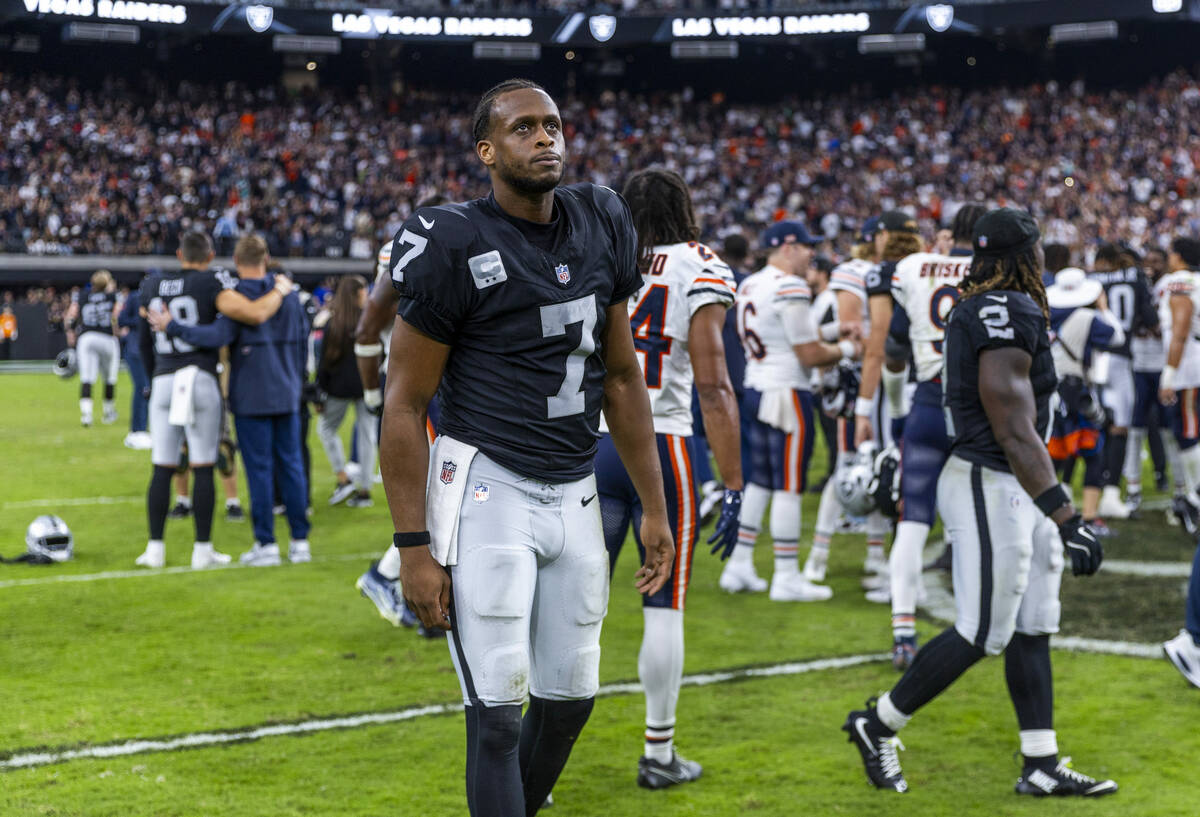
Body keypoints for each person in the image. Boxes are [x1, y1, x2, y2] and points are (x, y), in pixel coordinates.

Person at [379, 79, 672, 817]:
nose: (545, 139)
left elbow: (623, 375)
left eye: (553, 125)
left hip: (576, 485)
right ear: (486, 151)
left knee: (571, 701)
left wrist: (655, 506)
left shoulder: (602, 217)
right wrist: (412, 547)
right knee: (500, 709)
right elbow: (405, 402)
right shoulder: (452, 241)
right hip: (488, 486)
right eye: (523, 129)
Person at [843, 208, 1114, 798]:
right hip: (990, 478)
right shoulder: (1004, 309)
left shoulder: (993, 303)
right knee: (984, 629)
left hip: (1012, 477)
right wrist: (1067, 515)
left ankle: (1040, 761)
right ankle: (877, 722)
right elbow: (1013, 425)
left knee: (1034, 623)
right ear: (1025, 257)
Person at [595, 168, 742, 788]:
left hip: (595, 446)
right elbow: (712, 382)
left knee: (571, 610)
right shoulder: (699, 265)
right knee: (663, 606)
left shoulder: (603, 255)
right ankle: (658, 755)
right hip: (665, 447)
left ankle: (532, 763)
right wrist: (733, 485)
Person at [149, 235, 310, 566]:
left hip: (251, 394)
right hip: (288, 390)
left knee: (259, 470)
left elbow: (217, 336)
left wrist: (173, 327)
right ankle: (300, 542)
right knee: (292, 466)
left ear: (235, 261)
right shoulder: (290, 296)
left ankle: (266, 545)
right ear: (266, 258)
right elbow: (302, 341)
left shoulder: (239, 294)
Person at [721, 220, 858, 601]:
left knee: (761, 481)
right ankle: (785, 576)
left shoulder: (751, 283)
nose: (812, 253)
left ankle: (739, 565)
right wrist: (849, 349)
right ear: (787, 247)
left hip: (756, 388)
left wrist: (835, 332)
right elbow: (809, 353)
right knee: (788, 485)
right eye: (806, 246)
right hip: (786, 393)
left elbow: (789, 332)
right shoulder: (790, 285)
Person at [879, 204, 983, 669]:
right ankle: (975, 624)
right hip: (976, 409)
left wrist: (898, 409)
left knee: (913, 520)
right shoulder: (993, 269)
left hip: (925, 402)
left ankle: (902, 630)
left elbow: (896, 346)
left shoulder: (913, 268)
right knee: (974, 520)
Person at [355, 197, 449, 634]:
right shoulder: (411, 251)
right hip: (419, 388)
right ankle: (387, 575)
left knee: (441, 495)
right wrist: (374, 394)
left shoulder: (405, 247)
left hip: (422, 385)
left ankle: (412, 590)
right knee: (436, 495)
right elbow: (369, 324)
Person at [1045, 269, 1124, 532]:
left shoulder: (1044, 315)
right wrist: (1103, 308)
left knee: (1051, 456)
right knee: (1094, 453)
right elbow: (1116, 336)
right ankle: (1090, 518)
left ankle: (1043, 514)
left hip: (1049, 391)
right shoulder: (1088, 317)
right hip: (1075, 391)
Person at [1089, 244, 1158, 521]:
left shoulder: (1091, 281)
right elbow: (1151, 319)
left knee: (1091, 424)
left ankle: (1075, 490)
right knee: (1119, 426)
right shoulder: (1136, 278)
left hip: (1092, 358)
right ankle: (1109, 494)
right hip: (1119, 359)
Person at [314, 275, 376, 508]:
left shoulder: (334, 322)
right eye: (363, 292)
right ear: (356, 294)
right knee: (367, 436)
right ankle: (365, 490)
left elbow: (324, 362)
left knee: (326, 429)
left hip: (338, 388)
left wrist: (320, 390)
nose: (367, 296)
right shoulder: (370, 322)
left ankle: (343, 477)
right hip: (366, 387)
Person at [1156, 237, 1200, 533]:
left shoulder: (1180, 282)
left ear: (1180, 257)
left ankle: (1196, 495)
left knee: (1187, 431)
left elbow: (1180, 329)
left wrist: (1169, 374)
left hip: (1188, 366)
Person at [66, 270, 121, 427]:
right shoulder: (113, 296)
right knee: (110, 377)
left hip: (87, 337)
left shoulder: (82, 295)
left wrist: (70, 332)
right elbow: (117, 317)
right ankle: (109, 412)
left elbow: (71, 317)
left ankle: (86, 415)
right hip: (107, 338)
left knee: (87, 378)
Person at [117, 290, 152, 449]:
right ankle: (137, 431)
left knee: (150, 389)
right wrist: (141, 318)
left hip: (152, 350)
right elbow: (121, 319)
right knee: (142, 387)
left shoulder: (159, 296)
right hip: (135, 349)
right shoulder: (135, 297)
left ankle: (145, 429)